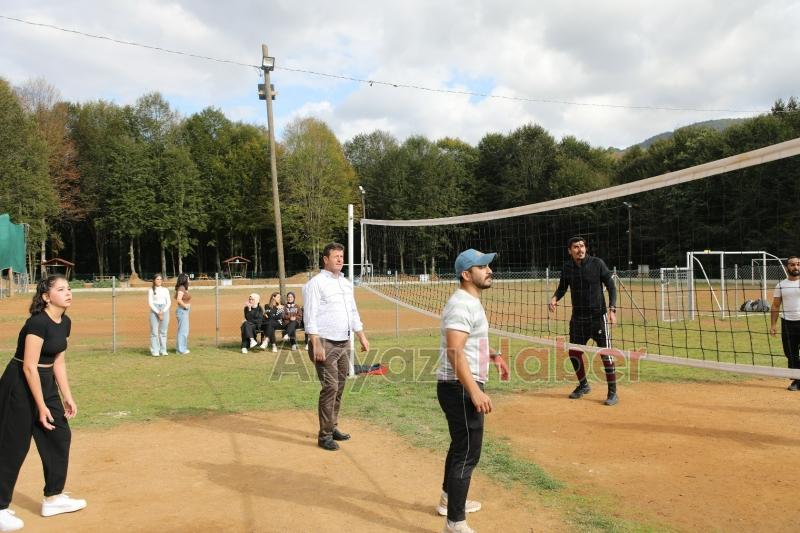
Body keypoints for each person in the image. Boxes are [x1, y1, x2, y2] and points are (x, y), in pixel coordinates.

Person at [0, 275, 87, 532]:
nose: (68, 292)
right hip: (19, 384)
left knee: (60, 435)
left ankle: (53, 497)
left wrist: (66, 395)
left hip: (45, 380)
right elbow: (28, 366)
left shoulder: (65, 322)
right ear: (47, 297)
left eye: (69, 288)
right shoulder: (38, 323)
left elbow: (57, 361)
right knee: (13, 446)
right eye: (61, 289)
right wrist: (41, 405)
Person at [437, 249, 509, 533]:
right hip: (459, 387)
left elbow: (468, 341)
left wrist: (493, 355)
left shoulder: (470, 302)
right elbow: (455, 351)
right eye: (482, 266)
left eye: (489, 265)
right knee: (467, 453)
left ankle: (448, 500)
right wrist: (474, 392)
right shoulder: (461, 304)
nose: (489, 270)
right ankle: (455, 522)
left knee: (460, 446)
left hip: (459, 385)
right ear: (467, 274)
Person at [303, 242, 369, 451]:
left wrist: (361, 335)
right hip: (323, 342)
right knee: (330, 387)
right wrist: (315, 343)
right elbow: (309, 315)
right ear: (325, 259)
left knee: (339, 387)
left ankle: (333, 426)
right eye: (336, 256)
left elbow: (352, 311)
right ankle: (324, 436)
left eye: (342, 256)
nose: (340, 259)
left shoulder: (346, 283)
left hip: (344, 342)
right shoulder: (316, 283)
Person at [548, 236, 619, 406]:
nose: (580, 249)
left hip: (598, 318)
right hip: (578, 319)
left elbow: (611, 286)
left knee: (606, 355)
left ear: (585, 248)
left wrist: (612, 310)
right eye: (575, 247)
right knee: (574, 353)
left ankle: (612, 393)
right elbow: (562, 288)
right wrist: (555, 298)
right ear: (569, 251)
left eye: (582, 246)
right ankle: (583, 385)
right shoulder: (567, 268)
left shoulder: (597, 263)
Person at [770, 256, 800, 391]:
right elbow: (775, 306)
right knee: (790, 353)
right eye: (793, 265)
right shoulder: (781, 285)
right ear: (787, 267)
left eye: (798, 264)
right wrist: (773, 325)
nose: (796, 267)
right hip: (787, 323)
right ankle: (796, 380)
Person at [147, 274, 171, 357]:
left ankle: (163, 350)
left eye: (160, 279)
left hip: (164, 309)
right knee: (154, 332)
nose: (159, 281)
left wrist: (163, 311)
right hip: (155, 310)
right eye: (157, 279)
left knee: (163, 331)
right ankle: (155, 350)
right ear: (154, 280)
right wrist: (158, 312)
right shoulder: (151, 290)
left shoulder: (165, 290)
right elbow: (150, 303)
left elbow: (169, 302)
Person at [174, 273, 191, 355]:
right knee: (183, 331)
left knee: (182, 330)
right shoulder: (181, 288)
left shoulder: (183, 288)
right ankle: (181, 350)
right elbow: (178, 299)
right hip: (183, 310)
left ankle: (179, 349)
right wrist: (186, 307)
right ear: (184, 279)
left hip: (183, 311)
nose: (189, 280)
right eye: (188, 279)